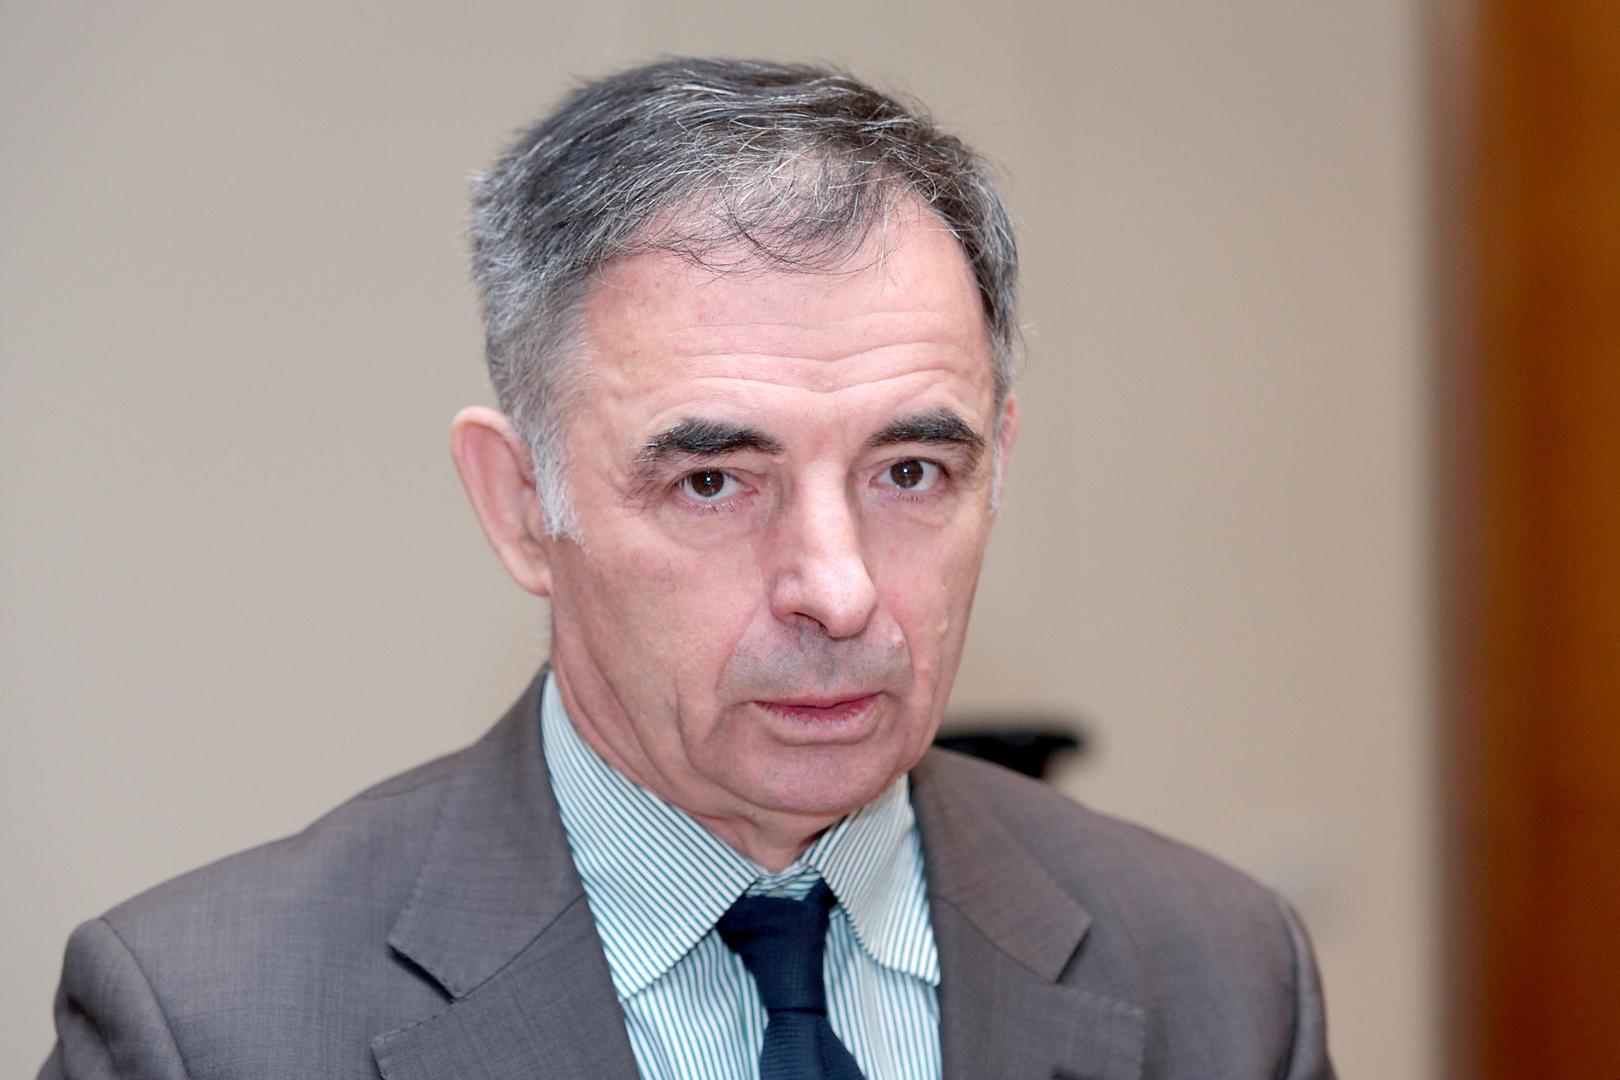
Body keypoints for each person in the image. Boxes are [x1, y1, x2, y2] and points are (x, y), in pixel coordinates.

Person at [40, 58, 1333, 1080]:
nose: (839, 592)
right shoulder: (208, 1025)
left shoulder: (1220, 978)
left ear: (996, 462)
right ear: (519, 504)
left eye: (909, 472)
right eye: (713, 481)